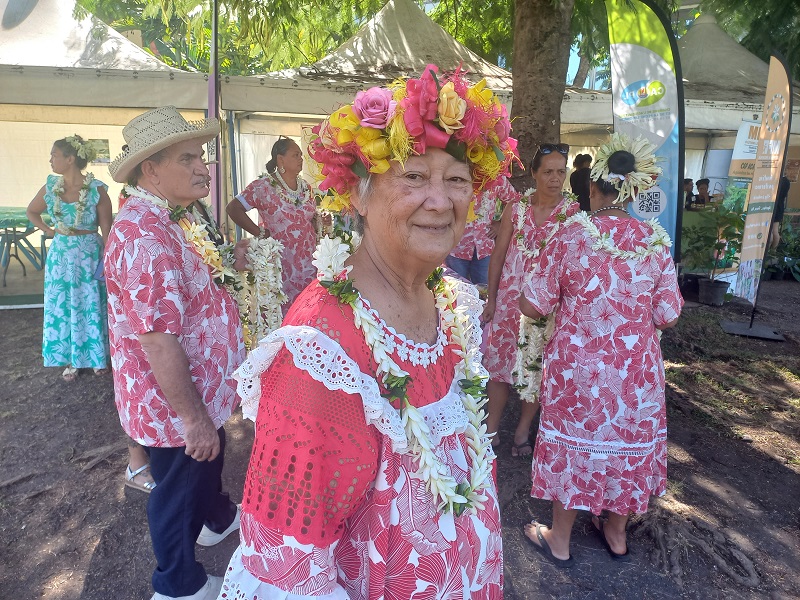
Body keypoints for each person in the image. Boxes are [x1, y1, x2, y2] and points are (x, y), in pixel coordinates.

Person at [218, 64, 517, 600]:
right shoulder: (321, 351)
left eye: (456, 180)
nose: (440, 200)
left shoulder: (449, 302)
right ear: (357, 194)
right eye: (413, 177)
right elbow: (287, 565)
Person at [519, 132, 683, 567]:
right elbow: (668, 314)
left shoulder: (570, 235)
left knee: (576, 443)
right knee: (626, 441)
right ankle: (615, 532)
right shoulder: (654, 242)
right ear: (634, 191)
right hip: (635, 373)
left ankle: (559, 539)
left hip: (579, 369)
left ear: (592, 187)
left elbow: (532, 305)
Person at [104, 106, 246, 600]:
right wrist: (193, 419)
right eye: (188, 159)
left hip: (198, 392)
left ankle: (217, 518)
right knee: (178, 490)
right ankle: (177, 584)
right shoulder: (144, 236)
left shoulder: (172, 215)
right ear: (151, 169)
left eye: (201, 156)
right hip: (173, 406)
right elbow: (158, 341)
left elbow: (193, 285)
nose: (203, 168)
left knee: (207, 460)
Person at [482, 143, 579, 457]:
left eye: (560, 172)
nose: (555, 178)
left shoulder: (573, 214)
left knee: (535, 367)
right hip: (509, 301)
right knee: (499, 364)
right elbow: (498, 256)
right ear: (534, 173)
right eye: (548, 172)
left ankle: (522, 430)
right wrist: (492, 300)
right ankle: (491, 429)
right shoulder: (517, 208)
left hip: (546, 307)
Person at [26, 135, 112, 382]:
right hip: (61, 257)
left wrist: (107, 260)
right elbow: (32, 211)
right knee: (64, 307)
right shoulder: (50, 186)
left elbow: (107, 230)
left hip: (89, 256)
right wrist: (49, 230)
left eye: (54, 155)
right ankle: (71, 360)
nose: (50, 160)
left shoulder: (97, 190)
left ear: (70, 158)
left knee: (90, 305)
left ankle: (97, 358)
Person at [226, 136, 317, 310]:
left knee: (307, 312)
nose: (301, 159)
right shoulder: (263, 186)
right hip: (279, 265)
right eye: (295, 155)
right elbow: (233, 208)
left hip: (308, 264)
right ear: (281, 159)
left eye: (301, 155)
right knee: (281, 312)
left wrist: (321, 221)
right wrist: (258, 232)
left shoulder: (306, 187)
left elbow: (310, 217)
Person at [445, 177, 517, 288]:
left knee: (484, 290)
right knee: (455, 290)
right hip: (455, 245)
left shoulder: (496, 178)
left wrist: (501, 224)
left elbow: (516, 203)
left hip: (485, 246)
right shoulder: (457, 176)